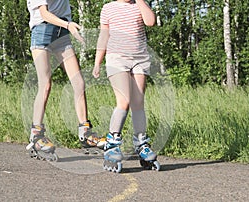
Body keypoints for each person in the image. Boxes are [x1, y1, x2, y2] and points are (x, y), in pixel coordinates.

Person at [26, 0, 102, 160]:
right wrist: (68, 25)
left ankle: (85, 132)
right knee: (45, 84)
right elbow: (44, 13)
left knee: (79, 83)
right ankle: (36, 135)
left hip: (62, 33)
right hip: (42, 31)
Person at [93, 0, 158, 172]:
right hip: (117, 59)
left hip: (140, 60)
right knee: (124, 101)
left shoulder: (139, 5)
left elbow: (150, 22)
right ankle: (112, 143)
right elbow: (104, 36)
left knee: (138, 103)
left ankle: (141, 143)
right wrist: (97, 62)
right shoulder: (108, 8)